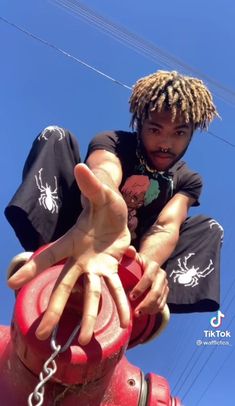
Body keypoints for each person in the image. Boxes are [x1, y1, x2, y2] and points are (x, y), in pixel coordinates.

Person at [5, 70, 223, 346]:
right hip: (83, 232)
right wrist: (105, 204)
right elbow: (104, 170)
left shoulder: (188, 180)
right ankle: (46, 256)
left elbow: (166, 225)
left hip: (132, 256)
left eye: (179, 133)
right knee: (56, 137)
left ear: (192, 134)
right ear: (139, 124)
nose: (166, 143)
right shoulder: (113, 141)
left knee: (210, 228)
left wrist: (145, 267)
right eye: (155, 130)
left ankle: (140, 297)